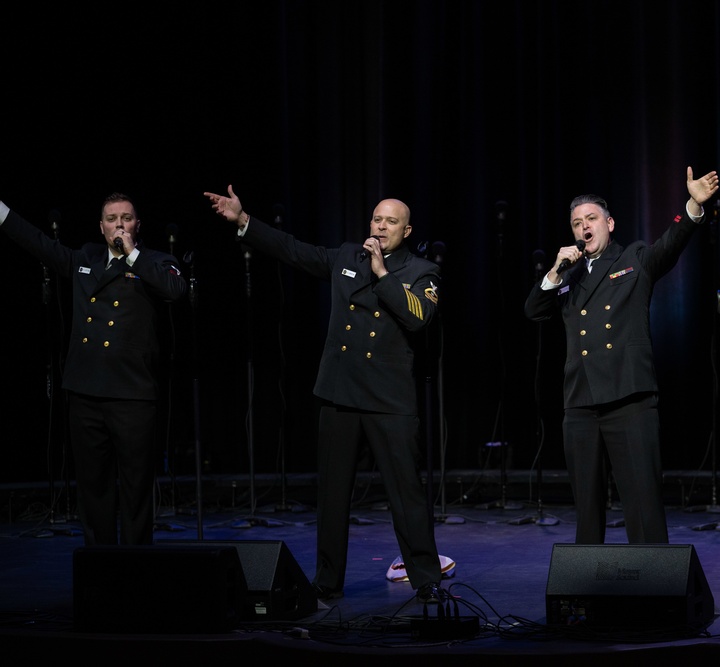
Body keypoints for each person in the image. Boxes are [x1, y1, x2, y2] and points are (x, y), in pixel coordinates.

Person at [203, 185, 445, 604]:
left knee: (407, 495)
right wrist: (244, 221)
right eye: (376, 219)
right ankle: (327, 580)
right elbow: (293, 250)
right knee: (332, 496)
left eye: (391, 221)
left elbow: (417, 317)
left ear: (406, 231)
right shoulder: (346, 256)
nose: (381, 226)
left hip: (389, 399)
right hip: (339, 393)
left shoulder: (422, 271)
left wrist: (382, 273)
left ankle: (426, 580)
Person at [524, 167, 720, 544]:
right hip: (580, 400)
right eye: (577, 222)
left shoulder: (634, 258)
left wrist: (694, 205)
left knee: (643, 505)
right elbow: (533, 310)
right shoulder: (569, 274)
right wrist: (554, 271)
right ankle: (588, 593)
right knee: (587, 508)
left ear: (609, 223)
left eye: (591, 219)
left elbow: (671, 243)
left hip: (628, 397)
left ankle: (654, 591)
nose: (584, 227)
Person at [0, 193, 188, 545]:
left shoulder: (156, 261)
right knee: (94, 490)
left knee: (134, 492)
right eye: (112, 218)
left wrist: (131, 254)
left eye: (126, 217)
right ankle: (100, 571)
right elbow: (37, 242)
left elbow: (175, 291)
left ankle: (134, 570)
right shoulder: (85, 257)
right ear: (101, 227)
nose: (119, 223)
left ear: (137, 225)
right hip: (86, 392)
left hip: (132, 395)